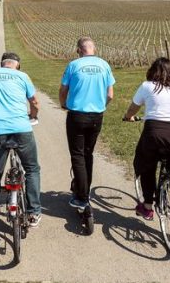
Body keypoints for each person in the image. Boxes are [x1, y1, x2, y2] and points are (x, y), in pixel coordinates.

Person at [123, 57, 170, 235]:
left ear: (152, 71)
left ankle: (147, 206)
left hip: (155, 134)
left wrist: (128, 116)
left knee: (146, 166)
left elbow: (133, 108)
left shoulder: (147, 86)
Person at [0, 52, 41, 232]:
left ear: (2, 64)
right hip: (21, 129)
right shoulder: (22, 76)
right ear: (17, 65)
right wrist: (33, 116)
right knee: (32, 169)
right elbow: (35, 102)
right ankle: (34, 212)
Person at [59, 36, 115, 210]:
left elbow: (63, 89)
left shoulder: (73, 65)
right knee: (88, 154)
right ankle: (85, 189)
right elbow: (110, 94)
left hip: (77, 115)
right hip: (97, 116)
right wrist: (101, 106)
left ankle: (82, 197)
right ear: (94, 49)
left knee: (77, 155)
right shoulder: (104, 65)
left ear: (78, 50)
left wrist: (63, 104)